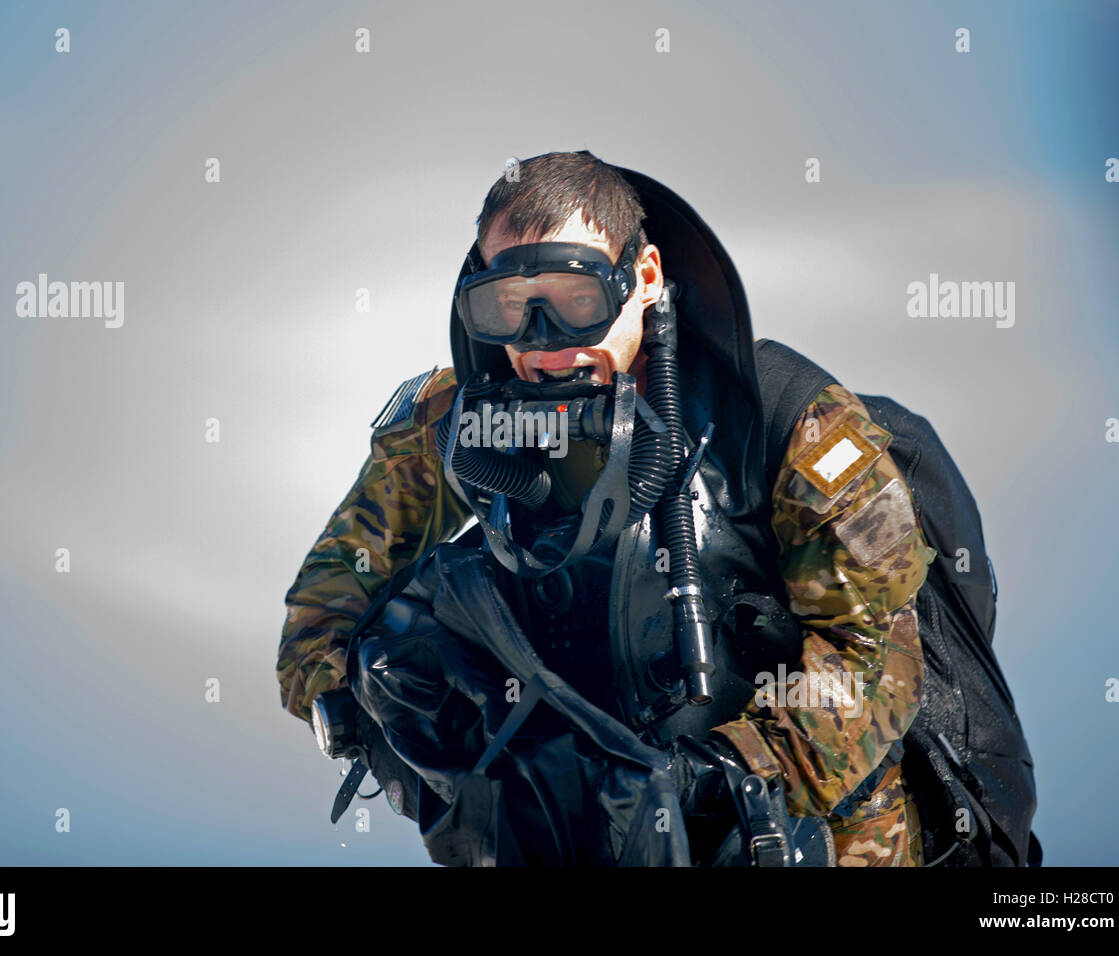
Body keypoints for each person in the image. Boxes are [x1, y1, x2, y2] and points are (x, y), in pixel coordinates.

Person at [278, 151, 935, 866]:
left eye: (574, 299)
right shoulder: (455, 422)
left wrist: (729, 772)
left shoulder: (790, 425)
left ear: (644, 279)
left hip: (805, 835)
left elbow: (878, 659)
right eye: (510, 305)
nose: (543, 342)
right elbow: (330, 595)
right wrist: (367, 720)